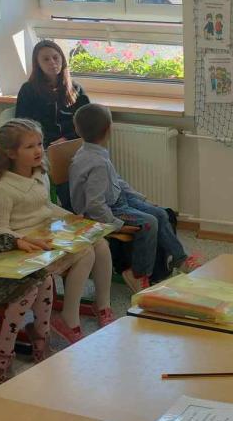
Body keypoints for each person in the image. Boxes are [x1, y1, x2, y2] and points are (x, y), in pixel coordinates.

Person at [0, 119, 114, 345]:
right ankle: (68, 319)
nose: (38, 150)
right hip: (24, 249)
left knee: (101, 243)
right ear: (10, 153)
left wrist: (71, 218)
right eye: (30, 147)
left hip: (46, 233)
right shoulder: (1, 188)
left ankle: (102, 306)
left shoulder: (40, 173)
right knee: (86, 252)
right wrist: (21, 240)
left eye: (40, 144)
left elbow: (46, 207)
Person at [69, 104, 201, 291]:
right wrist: (115, 224)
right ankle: (138, 274)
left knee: (161, 213)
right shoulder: (96, 162)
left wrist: (140, 199)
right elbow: (94, 204)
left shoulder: (94, 153)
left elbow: (116, 181)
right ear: (109, 129)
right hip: (108, 209)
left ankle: (180, 259)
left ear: (77, 129)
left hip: (117, 199)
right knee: (149, 223)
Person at [0, 233, 54, 385]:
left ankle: (41, 339)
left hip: (1, 265)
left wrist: (16, 241)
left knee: (45, 278)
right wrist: (14, 242)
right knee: (28, 290)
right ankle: (2, 355)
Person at [15, 40, 90, 147]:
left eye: (55, 57)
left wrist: (67, 139)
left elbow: (87, 122)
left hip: (72, 143)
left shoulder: (75, 89)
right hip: (40, 146)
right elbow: (22, 124)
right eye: (46, 59)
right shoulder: (28, 90)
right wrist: (43, 144)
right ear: (38, 64)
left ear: (62, 59)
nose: (52, 62)